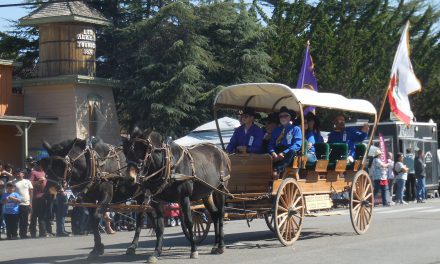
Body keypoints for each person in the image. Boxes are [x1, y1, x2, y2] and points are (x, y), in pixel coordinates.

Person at [268, 106, 302, 177]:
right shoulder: (276, 130)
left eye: (285, 115)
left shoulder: (296, 129)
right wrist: (273, 152)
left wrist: (283, 153)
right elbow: (271, 143)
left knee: (291, 151)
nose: (283, 118)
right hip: (277, 151)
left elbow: (297, 144)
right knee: (265, 150)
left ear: (290, 117)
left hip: (288, 151)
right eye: (281, 116)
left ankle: (277, 170)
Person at [29, 162, 48, 237]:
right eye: (39, 164)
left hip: (44, 197)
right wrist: (38, 182)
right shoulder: (33, 172)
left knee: (42, 216)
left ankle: (42, 232)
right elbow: (29, 183)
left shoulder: (45, 173)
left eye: (41, 164)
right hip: (35, 197)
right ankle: (33, 232)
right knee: (34, 216)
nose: (40, 166)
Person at [13, 169, 33, 238]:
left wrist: (30, 202)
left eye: (19, 173)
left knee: (24, 220)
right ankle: (14, 234)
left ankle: (23, 234)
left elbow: (31, 191)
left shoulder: (27, 181)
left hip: (25, 204)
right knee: (15, 220)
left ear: (23, 174)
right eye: (17, 173)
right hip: (16, 204)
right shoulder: (13, 182)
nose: (18, 174)